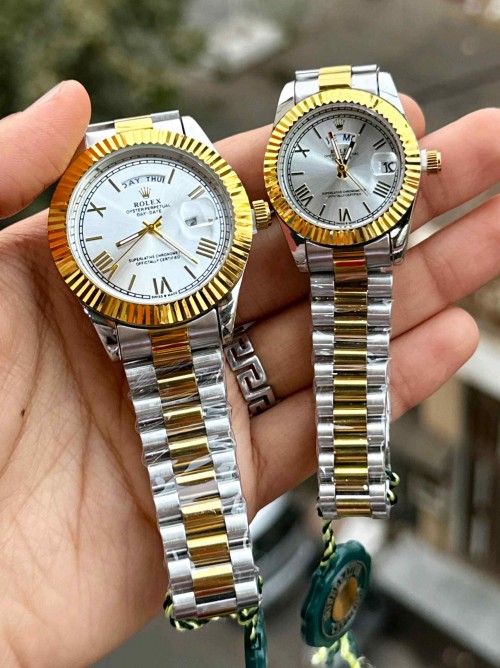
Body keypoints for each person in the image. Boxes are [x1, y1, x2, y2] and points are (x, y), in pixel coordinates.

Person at [0, 80, 499, 667]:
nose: (155, 228)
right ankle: (215, 576)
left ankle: (225, 574)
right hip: (145, 318)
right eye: (143, 225)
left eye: (163, 220)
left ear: (243, 216)